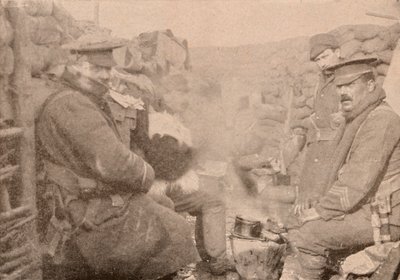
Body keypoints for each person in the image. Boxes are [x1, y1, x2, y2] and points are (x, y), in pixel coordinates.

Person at [36, 36, 200, 280]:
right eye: (97, 68)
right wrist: (148, 173)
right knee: (175, 231)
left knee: (165, 207)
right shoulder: (72, 104)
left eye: (108, 68)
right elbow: (115, 163)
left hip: (94, 196)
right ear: (76, 65)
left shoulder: (81, 99)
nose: (105, 75)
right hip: (82, 208)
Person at [280, 57, 400, 280]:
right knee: (295, 221)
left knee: (307, 235)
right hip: (366, 208)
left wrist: (319, 211)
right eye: (340, 87)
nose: (343, 92)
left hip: (386, 215)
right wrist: (316, 201)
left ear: (371, 85)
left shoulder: (381, 121)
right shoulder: (357, 119)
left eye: (351, 85)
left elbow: (355, 185)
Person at [107, 67, 233, 276]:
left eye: (185, 93)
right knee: (184, 207)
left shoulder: (171, 118)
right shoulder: (157, 120)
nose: (184, 99)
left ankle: (214, 258)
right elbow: (166, 167)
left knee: (213, 202)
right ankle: (187, 263)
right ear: (166, 94)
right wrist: (195, 153)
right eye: (179, 93)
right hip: (154, 188)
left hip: (166, 185)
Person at [291, 33, 343, 214]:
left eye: (325, 56)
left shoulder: (348, 77)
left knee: (326, 196)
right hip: (318, 147)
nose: (322, 63)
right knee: (306, 197)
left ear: (338, 52)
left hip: (338, 146)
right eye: (318, 59)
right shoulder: (320, 80)